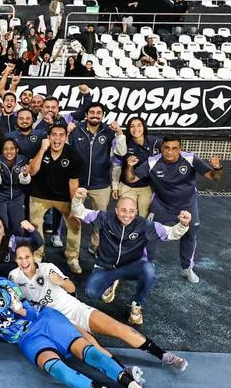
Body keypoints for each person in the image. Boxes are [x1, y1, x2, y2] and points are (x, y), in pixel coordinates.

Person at [0, 265, 158, 388]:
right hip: (26, 339)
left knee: (88, 352)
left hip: (45, 320)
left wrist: (20, 310)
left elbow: (29, 311)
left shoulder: (3, 285)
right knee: (57, 370)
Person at [9, 243, 189, 371]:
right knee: (92, 345)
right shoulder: (14, 277)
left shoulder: (47, 268)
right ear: (16, 260)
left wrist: (62, 282)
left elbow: (71, 288)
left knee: (119, 329)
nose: (24, 261)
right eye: (20, 258)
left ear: (33, 257)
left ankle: (164, 356)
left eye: (27, 257)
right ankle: (123, 371)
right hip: (57, 321)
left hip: (74, 308)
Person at [71, 182, 192, 323]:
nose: (127, 215)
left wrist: (183, 224)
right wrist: (78, 199)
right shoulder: (104, 218)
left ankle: (137, 305)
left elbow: (171, 233)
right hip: (106, 266)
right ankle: (110, 282)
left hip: (131, 267)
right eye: (123, 210)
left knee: (149, 270)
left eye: (131, 211)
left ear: (136, 211)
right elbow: (79, 212)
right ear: (116, 210)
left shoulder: (145, 225)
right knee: (91, 292)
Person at [124, 136, 222, 283]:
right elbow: (131, 179)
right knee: (149, 234)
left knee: (190, 235)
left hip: (187, 206)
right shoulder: (153, 162)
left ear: (180, 149)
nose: (170, 152)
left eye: (174, 148)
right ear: (161, 148)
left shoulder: (190, 159)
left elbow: (214, 178)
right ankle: (146, 266)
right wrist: (129, 166)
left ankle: (186, 268)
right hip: (161, 205)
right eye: (166, 148)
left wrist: (217, 168)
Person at [68, 103, 126, 255]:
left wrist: (119, 132)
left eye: (98, 112)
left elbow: (121, 151)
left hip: (101, 184)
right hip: (77, 183)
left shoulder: (109, 132)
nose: (95, 115)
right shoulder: (75, 129)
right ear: (86, 114)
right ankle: (73, 253)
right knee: (74, 218)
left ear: (103, 115)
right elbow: (65, 150)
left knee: (99, 220)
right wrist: (67, 132)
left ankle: (95, 247)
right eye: (91, 112)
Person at [27, 124, 83, 273]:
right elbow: (32, 171)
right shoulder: (41, 148)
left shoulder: (73, 155)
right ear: (49, 137)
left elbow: (73, 182)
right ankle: (37, 254)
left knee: (75, 223)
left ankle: (72, 257)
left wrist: (75, 206)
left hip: (64, 196)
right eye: (54, 135)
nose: (57, 139)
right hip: (40, 194)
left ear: (65, 137)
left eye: (61, 135)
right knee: (35, 224)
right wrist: (42, 150)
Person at [113, 117, 161, 218]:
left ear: (144, 127)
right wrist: (115, 186)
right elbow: (117, 165)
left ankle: (140, 234)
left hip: (146, 188)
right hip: (127, 187)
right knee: (127, 216)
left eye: (139, 125)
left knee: (144, 217)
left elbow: (170, 151)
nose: (136, 129)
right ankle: (125, 234)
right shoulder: (123, 141)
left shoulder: (154, 141)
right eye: (132, 126)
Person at [0, 138, 31, 236]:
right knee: (2, 227)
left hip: (17, 197)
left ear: (17, 150)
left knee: (19, 228)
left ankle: (16, 249)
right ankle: (2, 250)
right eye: (6, 149)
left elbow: (24, 182)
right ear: (2, 150)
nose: (9, 152)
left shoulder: (23, 160)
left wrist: (25, 174)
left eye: (12, 149)